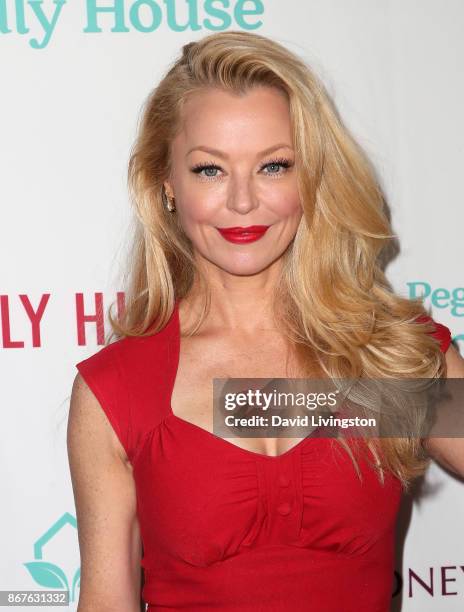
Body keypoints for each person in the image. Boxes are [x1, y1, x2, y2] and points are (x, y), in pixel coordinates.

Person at [67, 30, 464, 611]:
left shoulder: (388, 353)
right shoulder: (118, 389)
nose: (244, 201)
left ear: (312, 178)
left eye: (274, 166)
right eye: (210, 170)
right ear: (166, 184)